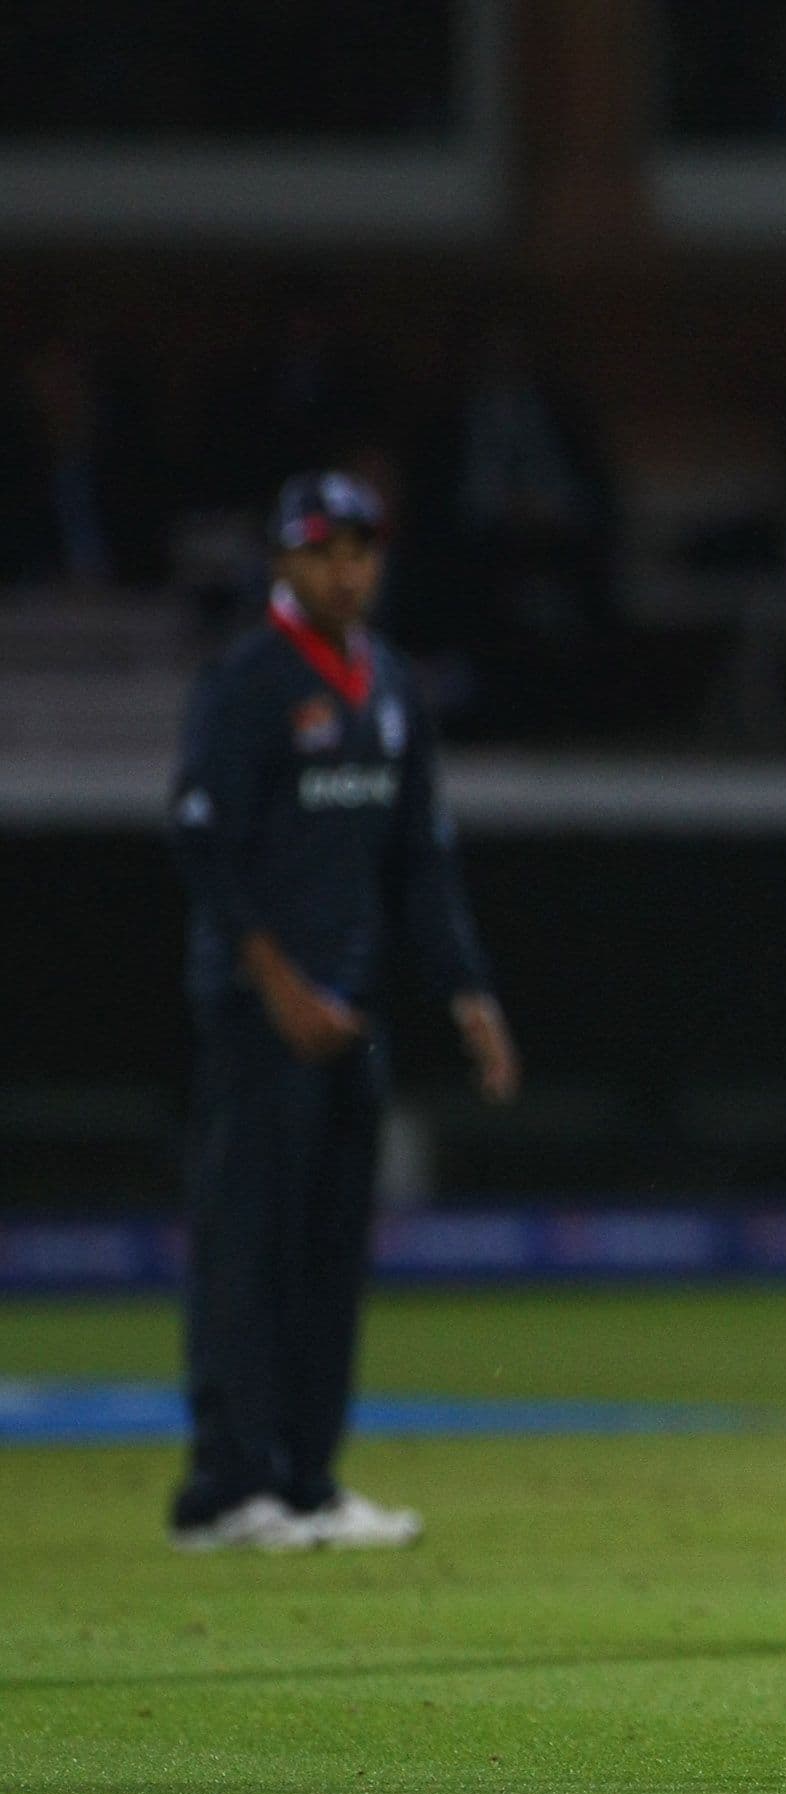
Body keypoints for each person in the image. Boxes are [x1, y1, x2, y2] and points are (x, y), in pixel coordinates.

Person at [165, 472, 522, 1551]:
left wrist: (468, 992)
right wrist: (276, 982)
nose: (346, 569)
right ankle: (225, 1489)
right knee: (248, 1245)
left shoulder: (391, 684)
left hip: (351, 1017)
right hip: (256, 1015)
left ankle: (308, 1480)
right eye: (323, 549)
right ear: (280, 561)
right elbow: (203, 843)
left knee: (328, 1252)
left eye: (362, 548)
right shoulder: (247, 682)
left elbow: (420, 860)